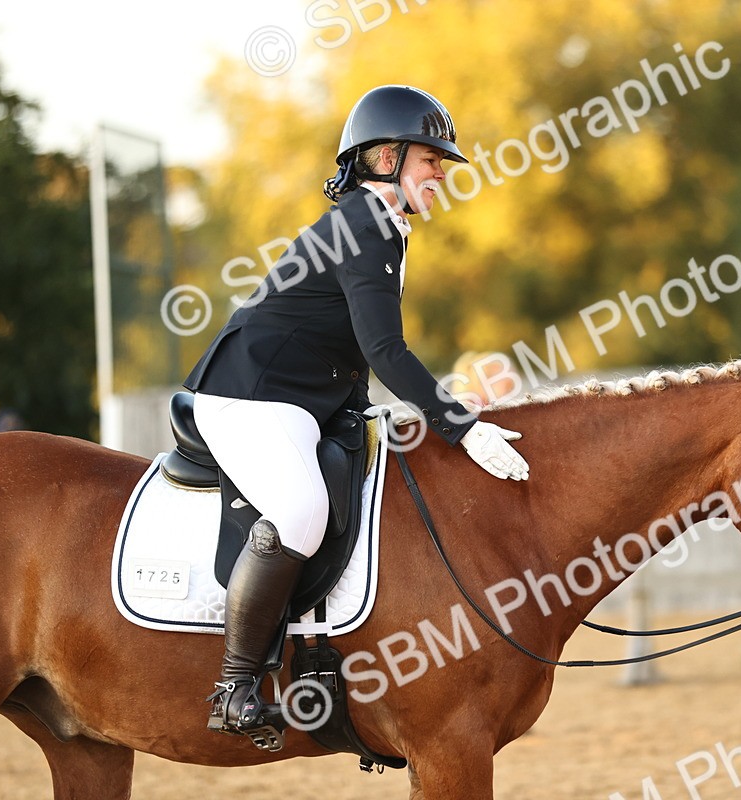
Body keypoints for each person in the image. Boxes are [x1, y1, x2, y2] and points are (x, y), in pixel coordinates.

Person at [183, 85, 530, 745]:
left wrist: (372, 417)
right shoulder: (365, 225)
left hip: (304, 401)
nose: (441, 175)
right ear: (386, 158)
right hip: (252, 396)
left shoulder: (384, 228)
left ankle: (318, 653)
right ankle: (233, 686)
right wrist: (463, 425)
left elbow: (347, 351)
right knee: (301, 511)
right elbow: (384, 350)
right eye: (431, 161)